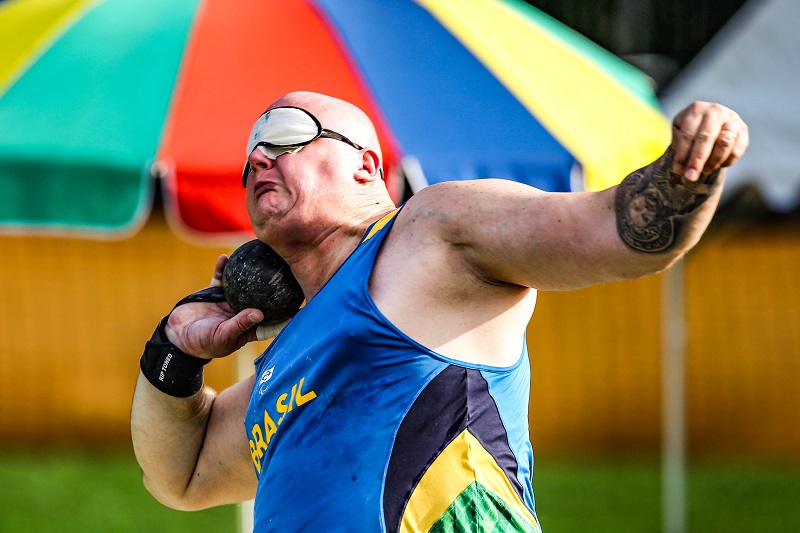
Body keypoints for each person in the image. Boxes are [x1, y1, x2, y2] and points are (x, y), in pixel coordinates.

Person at [130, 91, 748, 532]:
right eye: (251, 155)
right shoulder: (281, 363)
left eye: (287, 133)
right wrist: (172, 353)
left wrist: (692, 170)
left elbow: (617, 234)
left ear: (367, 164)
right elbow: (182, 478)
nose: (260, 158)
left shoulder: (430, 232)